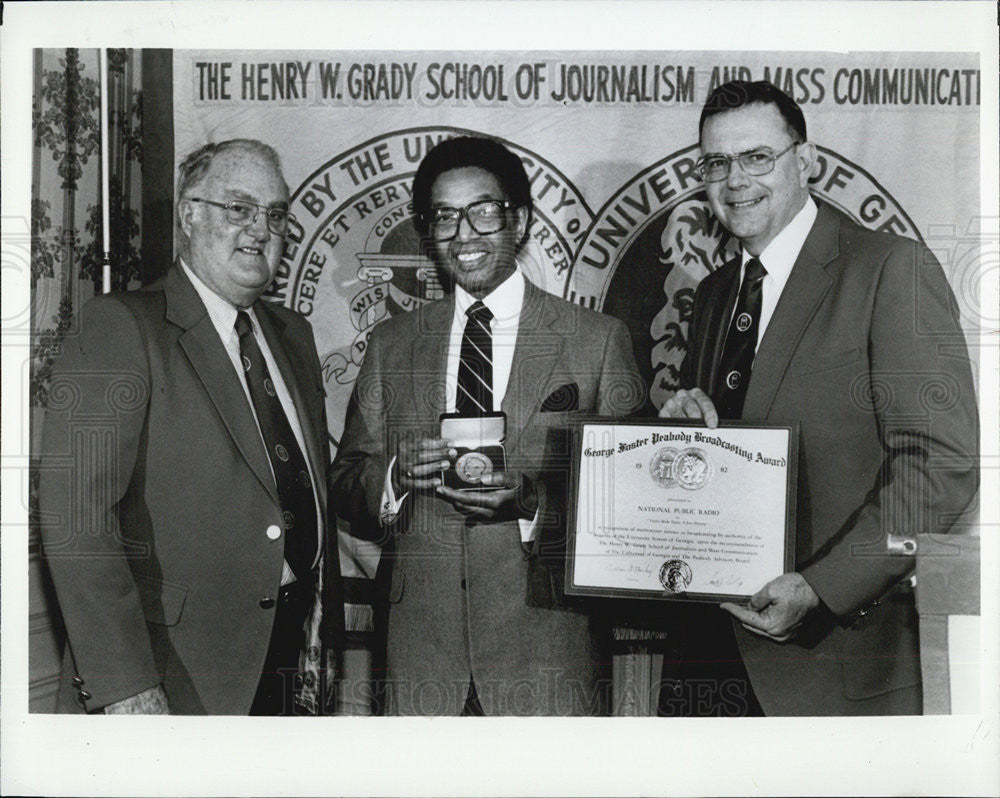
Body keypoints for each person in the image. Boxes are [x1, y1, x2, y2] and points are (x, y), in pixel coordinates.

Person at [658, 80, 978, 716]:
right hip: (706, 655)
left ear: (804, 161)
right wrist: (686, 432)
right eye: (716, 163)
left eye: (757, 158)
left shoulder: (891, 268)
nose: (734, 180)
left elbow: (940, 468)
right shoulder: (721, 291)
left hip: (829, 660)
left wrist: (823, 588)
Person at [329, 136, 644, 716]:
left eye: (483, 211)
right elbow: (346, 481)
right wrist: (396, 475)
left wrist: (532, 503)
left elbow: (630, 506)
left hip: (549, 655)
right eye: (444, 216)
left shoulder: (595, 340)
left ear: (519, 220)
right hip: (419, 659)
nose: (464, 234)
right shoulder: (391, 344)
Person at [38, 139, 344, 715]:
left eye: (276, 213)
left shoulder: (293, 337)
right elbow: (76, 517)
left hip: (288, 665)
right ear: (188, 214)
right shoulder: (120, 326)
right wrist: (125, 686)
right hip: (171, 673)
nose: (261, 228)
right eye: (238, 208)